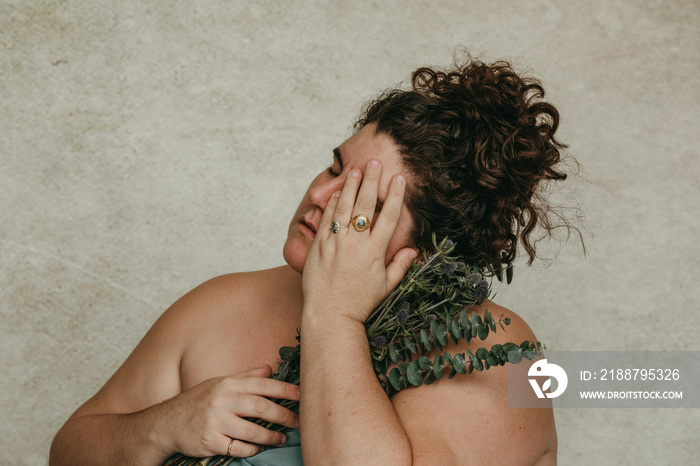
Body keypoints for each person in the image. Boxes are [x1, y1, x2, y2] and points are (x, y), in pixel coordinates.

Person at [51, 56, 577, 465]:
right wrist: (161, 425)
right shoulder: (223, 301)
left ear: (430, 253)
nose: (321, 198)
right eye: (333, 169)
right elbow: (69, 451)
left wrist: (333, 315)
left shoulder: (495, 356)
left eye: (361, 203)